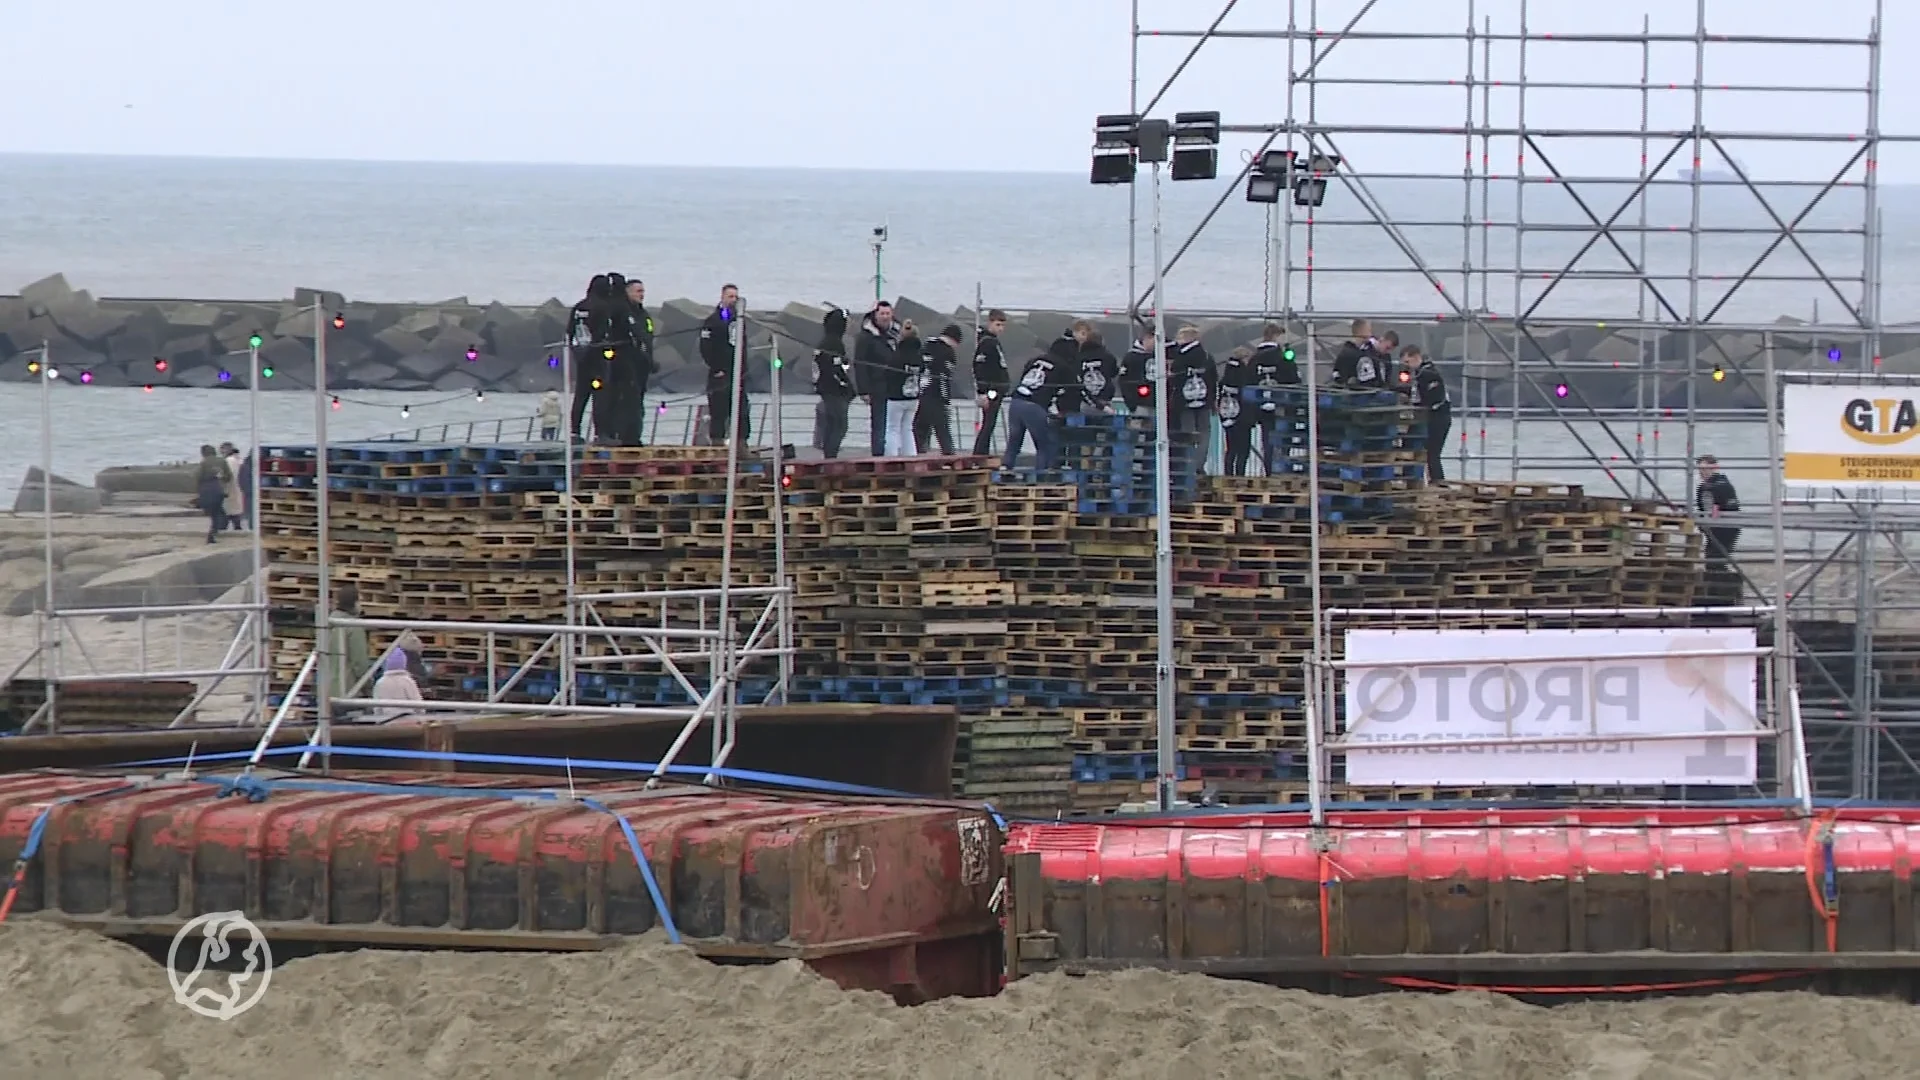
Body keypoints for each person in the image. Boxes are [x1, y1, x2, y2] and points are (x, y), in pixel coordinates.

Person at [1004, 334, 1077, 471]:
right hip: (1035, 405)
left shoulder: (1035, 360)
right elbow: (1070, 390)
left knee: (1014, 440)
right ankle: (1041, 473)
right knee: (1044, 444)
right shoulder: (1064, 367)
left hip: (1017, 401)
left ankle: (1006, 466)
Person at [1246, 325, 1302, 474]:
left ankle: (1269, 471)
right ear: (1276, 336)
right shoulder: (1282, 357)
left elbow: (1248, 382)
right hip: (1283, 404)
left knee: (1267, 440)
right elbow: (1294, 380)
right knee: (1284, 439)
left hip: (1261, 406)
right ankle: (1282, 469)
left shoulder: (1254, 359)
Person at [698, 284, 749, 445]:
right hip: (720, 373)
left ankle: (741, 443)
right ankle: (717, 442)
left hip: (738, 373)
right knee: (719, 410)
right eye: (730, 296)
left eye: (735, 297)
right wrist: (717, 368)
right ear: (722, 297)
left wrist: (744, 369)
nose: (733, 300)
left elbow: (743, 346)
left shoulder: (739, 320)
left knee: (742, 410)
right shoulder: (712, 321)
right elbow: (705, 347)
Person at [566, 274, 612, 442]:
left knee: (580, 395)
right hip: (597, 356)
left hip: (581, 355)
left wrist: (576, 351)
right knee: (600, 395)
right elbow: (603, 332)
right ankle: (600, 433)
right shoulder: (603, 307)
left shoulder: (579, 307)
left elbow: (569, 332)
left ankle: (574, 432)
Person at [855, 302, 901, 457]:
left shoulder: (897, 333)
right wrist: (863, 390)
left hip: (897, 385)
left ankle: (895, 453)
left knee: (897, 424)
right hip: (877, 386)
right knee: (879, 424)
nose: (885, 317)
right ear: (875, 315)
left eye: (888, 313)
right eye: (882, 314)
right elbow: (860, 364)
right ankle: (878, 455)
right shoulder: (866, 337)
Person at [811, 306, 856, 458]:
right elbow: (836, 369)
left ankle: (829, 455)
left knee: (832, 424)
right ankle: (831, 456)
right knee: (839, 425)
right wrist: (847, 386)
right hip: (834, 390)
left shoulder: (825, 342)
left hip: (826, 389)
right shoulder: (834, 344)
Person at [1169, 326, 1216, 469]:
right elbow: (1213, 379)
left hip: (1184, 402)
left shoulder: (1181, 357)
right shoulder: (1207, 357)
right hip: (1204, 400)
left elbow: (1175, 379)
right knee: (1204, 433)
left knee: (1187, 433)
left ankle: (1188, 464)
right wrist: (1213, 399)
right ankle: (1200, 464)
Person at [1403, 345, 1452, 483]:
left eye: (1407, 362)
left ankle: (1438, 482)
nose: (1407, 366)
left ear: (1415, 357)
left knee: (1433, 453)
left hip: (1438, 418)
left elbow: (1434, 398)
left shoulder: (1429, 374)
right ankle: (1425, 480)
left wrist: (1420, 406)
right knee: (1427, 452)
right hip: (1429, 417)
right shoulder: (1420, 374)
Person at [324, 583, 373, 716]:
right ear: (354, 602)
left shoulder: (326, 625)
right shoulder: (353, 627)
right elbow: (360, 663)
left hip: (326, 691)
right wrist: (368, 688)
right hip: (349, 690)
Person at [914, 324, 962, 455]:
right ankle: (949, 455)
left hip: (922, 391)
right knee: (943, 429)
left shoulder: (927, 346)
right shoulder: (947, 352)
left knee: (920, 427)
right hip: (937, 395)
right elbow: (943, 377)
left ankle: (918, 452)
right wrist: (946, 400)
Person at [971, 309, 1010, 456]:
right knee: (988, 423)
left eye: (1002, 325)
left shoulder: (993, 341)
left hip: (997, 387)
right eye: (998, 325)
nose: (1001, 329)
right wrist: (982, 392)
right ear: (990, 323)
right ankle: (980, 453)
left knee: (990, 423)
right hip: (991, 389)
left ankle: (982, 452)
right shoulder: (987, 343)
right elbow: (979, 367)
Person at [1696, 455, 1742, 578]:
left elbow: (1721, 506)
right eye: (1700, 469)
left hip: (1726, 527)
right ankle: (1718, 582)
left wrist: (1711, 520)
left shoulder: (1722, 485)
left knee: (1717, 558)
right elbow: (1702, 508)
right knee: (1712, 558)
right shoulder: (1702, 487)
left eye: (1705, 468)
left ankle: (1727, 583)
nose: (1702, 472)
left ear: (1714, 468)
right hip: (1713, 527)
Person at [882, 320, 923, 455]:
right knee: (908, 428)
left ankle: (891, 457)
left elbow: (888, 374)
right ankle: (910, 456)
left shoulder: (897, 355)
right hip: (914, 397)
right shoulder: (919, 356)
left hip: (896, 397)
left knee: (892, 428)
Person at [622, 277, 655, 443]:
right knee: (628, 402)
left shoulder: (644, 315)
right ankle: (626, 436)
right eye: (638, 291)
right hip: (627, 365)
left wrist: (650, 360)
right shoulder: (623, 313)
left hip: (643, 365)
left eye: (643, 291)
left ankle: (635, 436)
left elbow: (648, 337)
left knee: (638, 403)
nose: (642, 295)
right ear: (628, 292)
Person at [1217, 346, 1258, 476]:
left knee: (1231, 448)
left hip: (1228, 417)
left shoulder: (1226, 376)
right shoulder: (1244, 375)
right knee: (1243, 449)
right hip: (1243, 417)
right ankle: (1240, 474)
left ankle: (1228, 474)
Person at [1068, 321, 1118, 415]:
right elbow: (1114, 372)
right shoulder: (1108, 356)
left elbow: (1076, 377)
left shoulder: (1079, 358)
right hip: (1105, 398)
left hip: (1086, 400)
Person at [368, 649, 425, 722]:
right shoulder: (408, 681)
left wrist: (379, 720)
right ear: (404, 663)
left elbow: (377, 707)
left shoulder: (380, 682)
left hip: (387, 721)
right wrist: (421, 718)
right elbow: (418, 704)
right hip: (408, 721)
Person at [1334, 318, 1387, 389]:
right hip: (1356, 393)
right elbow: (1338, 376)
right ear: (1360, 332)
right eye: (1369, 331)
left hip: (1374, 392)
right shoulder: (1346, 354)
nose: (1371, 334)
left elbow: (1378, 374)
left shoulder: (1371, 351)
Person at [194, 444, 232, 544]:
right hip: (219, 488)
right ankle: (220, 528)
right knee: (218, 509)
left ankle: (213, 533)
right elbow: (229, 476)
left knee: (212, 513)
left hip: (207, 489)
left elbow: (198, 477)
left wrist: (197, 490)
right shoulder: (222, 461)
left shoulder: (204, 462)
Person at [1120, 324, 1157, 411]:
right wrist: (1131, 404)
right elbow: (1123, 381)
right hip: (1139, 403)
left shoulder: (1162, 354)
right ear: (1145, 338)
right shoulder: (1131, 357)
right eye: (1152, 339)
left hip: (1161, 404)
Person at [218, 441, 245, 530]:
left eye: (222, 450)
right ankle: (237, 527)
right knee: (235, 511)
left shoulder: (229, 461)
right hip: (238, 487)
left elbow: (226, 475)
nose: (221, 452)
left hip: (230, 488)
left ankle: (223, 529)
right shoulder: (238, 460)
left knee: (227, 511)